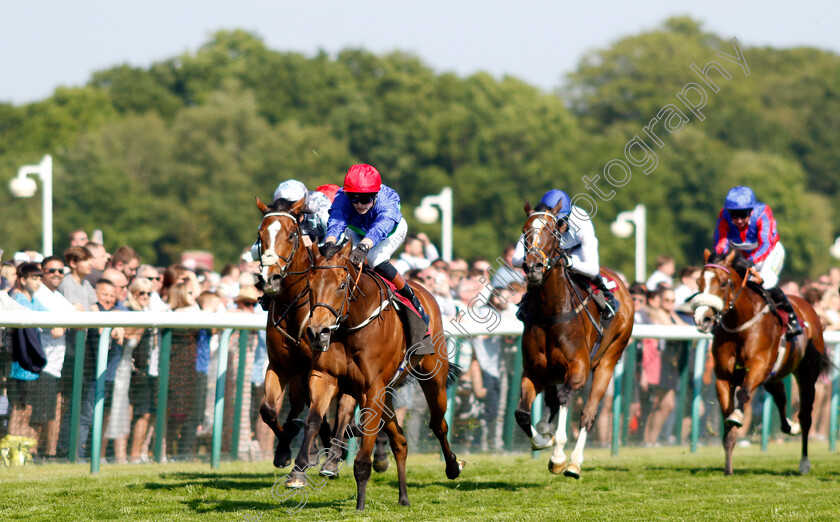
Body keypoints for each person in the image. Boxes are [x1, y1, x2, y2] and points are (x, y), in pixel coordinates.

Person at [320, 163, 430, 325]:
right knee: (339, 260)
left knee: (373, 258)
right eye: (354, 199)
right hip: (357, 231)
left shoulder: (388, 199)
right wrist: (329, 243)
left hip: (389, 232)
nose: (359, 204)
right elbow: (337, 221)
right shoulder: (342, 197)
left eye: (365, 199)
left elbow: (381, 227)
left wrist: (364, 246)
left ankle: (410, 297)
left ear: (376, 195)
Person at [513, 189, 619, 326]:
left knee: (590, 274)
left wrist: (567, 261)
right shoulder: (538, 222)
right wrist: (538, 259)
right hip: (549, 254)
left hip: (577, 251)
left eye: (559, 221)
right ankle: (526, 302)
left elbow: (592, 268)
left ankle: (607, 299)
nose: (557, 225)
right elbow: (516, 260)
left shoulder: (582, 220)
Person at [713, 186, 802, 339]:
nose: (739, 220)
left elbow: (766, 244)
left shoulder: (763, 213)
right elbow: (722, 241)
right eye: (734, 215)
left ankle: (792, 319)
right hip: (743, 255)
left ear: (751, 211)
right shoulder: (724, 216)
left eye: (743, 215)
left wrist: (750, 261)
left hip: (768, 253)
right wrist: (720, 257)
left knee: (766, 282)